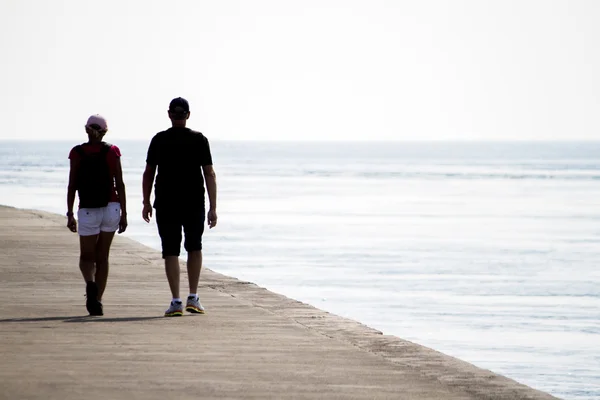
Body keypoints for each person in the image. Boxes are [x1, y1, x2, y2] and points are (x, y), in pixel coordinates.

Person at [142, 97, 217, 317]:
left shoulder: (159, 140)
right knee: (194, 247)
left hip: (166, 201)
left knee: (171, 250)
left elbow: (149, 173)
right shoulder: (199, 140)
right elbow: (209, 173)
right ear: (188, 115)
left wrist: (146, 201)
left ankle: (176, 301)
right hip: (193, 201)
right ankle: (193, 297)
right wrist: (213, 207)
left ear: (169, 115)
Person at [66, 115, 128, 316]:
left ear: (86, 130)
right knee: (103, 257)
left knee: (86, 256)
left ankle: (90, 284)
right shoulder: (112, 151)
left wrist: (69, 213)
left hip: (87, 209)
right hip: (111, 207)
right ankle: (98, 300)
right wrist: (124, 213)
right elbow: (119, 183)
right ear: (105, 132)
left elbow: (72, 185)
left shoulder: (77, 152)